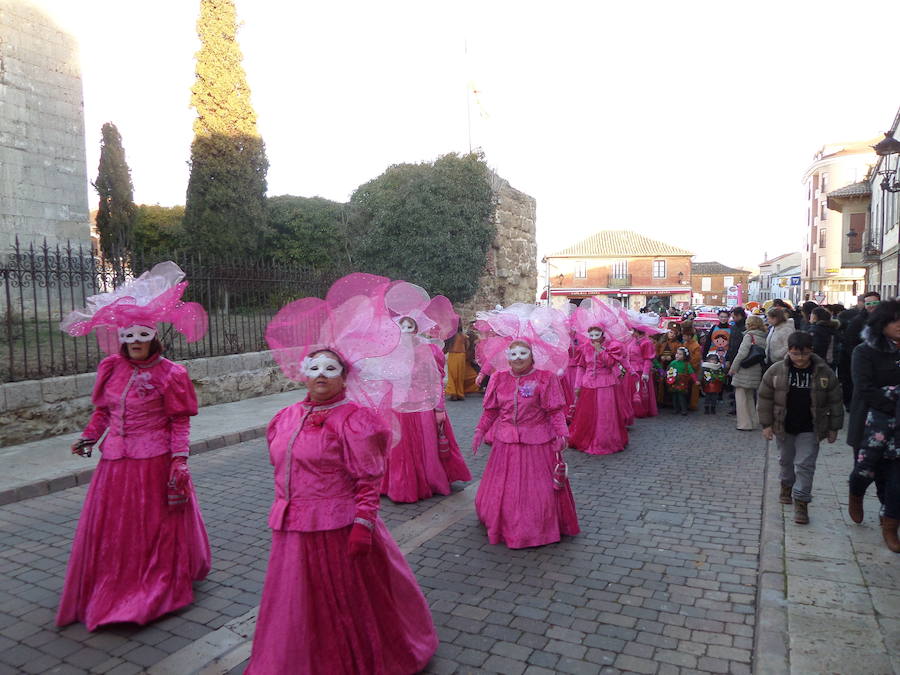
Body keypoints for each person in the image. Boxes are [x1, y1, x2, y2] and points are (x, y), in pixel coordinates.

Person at [248, 275, 438, 674]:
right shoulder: (285, 418)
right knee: (297, 601)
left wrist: (363, 524)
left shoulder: (355, 421)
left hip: (339, 528)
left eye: (330, 368)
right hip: (293, 529)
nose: (321, 373)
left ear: (343, 376)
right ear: (303, 372)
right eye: (314, 366)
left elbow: (368, 478)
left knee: (346, 600)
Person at [56, 262, 211, 631]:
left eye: (142, 336)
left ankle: (151, 583)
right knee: (114, 530)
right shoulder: (112, 368)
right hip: (115, 465)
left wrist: (179, 460)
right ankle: (112, 581)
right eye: (129, 337)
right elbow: (105, 413)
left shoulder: (171, 374)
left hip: (153, 463)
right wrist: (89, 437)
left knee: (154, 527)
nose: (136, 342)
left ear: (153, 337)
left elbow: (179, 421)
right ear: (121, 338)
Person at [471, 304, 579, 548]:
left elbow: (554, 410)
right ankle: (504, 521)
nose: (517, 358)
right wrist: (480, 430)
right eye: (513, 354)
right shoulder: (499, 378)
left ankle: (536, 526)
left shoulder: (545, 378)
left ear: (532, 354)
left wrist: (562, 433)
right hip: (506, 443)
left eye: (522, 353)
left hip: (538, 443)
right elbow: (491, 410)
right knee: (505, 488)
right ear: (507, 356)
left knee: (536, 491)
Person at [377, 282, 471, 503]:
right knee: (397, 448)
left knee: (426, 447)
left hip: (422, 407)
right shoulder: (389, 352)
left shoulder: (429, 350)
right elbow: (383, 380)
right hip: (397, 406)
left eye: (411, 327)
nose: (406, 331)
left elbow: (436, 380)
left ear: (417, 328)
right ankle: (397, 482)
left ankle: (427, 480)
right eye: (402, 326)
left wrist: (439, 409)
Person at [758, 331, 843, 525]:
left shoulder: (823, 371)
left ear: (811, 351)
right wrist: (766, 424)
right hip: (784, 425)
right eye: (795, 354)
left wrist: (833, 427)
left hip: (810, 427)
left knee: (805, 465)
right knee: (785, 461)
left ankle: (802, 502)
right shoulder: (776, 370)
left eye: (804, 354)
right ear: (789, 351)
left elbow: (835, 400)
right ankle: (786, 485)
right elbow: (764, 398)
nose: (800, 359)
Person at [846, 301, 900, 551]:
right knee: (866, 472)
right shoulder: (864, 351)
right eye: (893, 320)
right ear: (881, 324)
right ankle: (855, 494)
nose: (898, 325)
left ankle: (889, 525)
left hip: (898, 431)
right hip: (870, 425)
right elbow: (865, 388)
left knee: (894, 482)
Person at [570, 307, 629, 454]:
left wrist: (600, 350)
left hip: (606, 384)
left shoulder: (612, 347)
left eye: (597, 334)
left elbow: (610, 363)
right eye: (591, 334)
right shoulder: (584, 348)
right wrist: (577, 386)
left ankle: (605, 440)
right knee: (587, 413)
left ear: (603, 334)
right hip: (588, 384)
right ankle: (586, 438)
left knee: (605, 413)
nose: (594, 337)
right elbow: (581, 367)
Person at [842, 291, 882, 408]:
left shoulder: (886, 319)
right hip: (861, 360)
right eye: (868, 303)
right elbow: (849, 343)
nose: (871, 305)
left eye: (874, 302)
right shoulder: (857, 321)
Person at [728, 314, 767, 431]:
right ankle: (753, 421)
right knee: (749, 396)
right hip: (756, 369)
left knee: (740, 397)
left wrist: (733, 368)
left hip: (745, 369)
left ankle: (744, 423)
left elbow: (742, 353)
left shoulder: (749, 336)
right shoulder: (763, 336)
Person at [444, 320, 480, 400]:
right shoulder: (463, 336)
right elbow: (467, 346)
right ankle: (458, 393)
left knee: (453, 375)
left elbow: (445, 348)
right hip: (460, 356)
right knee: (459, 375)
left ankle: (454, 393)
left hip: (454, 355)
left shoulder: (451, 336)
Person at [724, 306, 748, 415]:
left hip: (742, 359)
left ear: (740, 316)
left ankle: (737, 406)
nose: (733, 319)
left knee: (740, 384)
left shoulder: (746, 328)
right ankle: (735, 402)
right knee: (735, 382)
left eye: (734, 317)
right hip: (733, 357)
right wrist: (728, 358)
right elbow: (730, 344)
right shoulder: (734, 327)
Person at [666, 346, 697, 415]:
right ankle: (675, 409)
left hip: (682, 382)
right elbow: (668, 370)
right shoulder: (673, 363)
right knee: (674, 396)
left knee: (681, 396)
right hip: (674, 381)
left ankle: (683, 409)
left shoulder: (686, 364)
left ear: (685, 356)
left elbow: (691, 372)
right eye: (677, 353)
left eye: (680, 354)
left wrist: (695, 380)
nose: (677, 355)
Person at [681, 322, 702, 410]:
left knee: (693, 387)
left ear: (689, 336)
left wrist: (689, 366)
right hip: (686, 369)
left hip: (693, 370)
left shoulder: (695, 345)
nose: (683, 337)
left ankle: (692, 404)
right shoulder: (685, 344)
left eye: (685, 336)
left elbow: (696, 359)